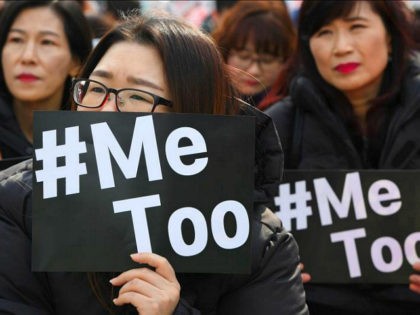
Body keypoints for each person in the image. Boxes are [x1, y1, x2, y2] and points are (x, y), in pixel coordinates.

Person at [0, 12, 308, 315]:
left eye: (136, 96)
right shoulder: (20, 203)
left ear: (192, 119)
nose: (104, 111)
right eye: (95, 89)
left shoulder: (258, 241)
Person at [265, 0, 420, 314]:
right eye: (325, 32)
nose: (341, 47)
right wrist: (272, 270)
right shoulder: (275, 128)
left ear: (390, 34)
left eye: (356, 27)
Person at [0, 0, 92, 162]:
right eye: (16, 40)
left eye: (47, 42)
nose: (27, 57)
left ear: (77, 63)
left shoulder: (90, 138)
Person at [212, 0, 296, 108]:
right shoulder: (205, 98)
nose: (254, 71)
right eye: (244, 57)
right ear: (224, 53)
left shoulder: (295, 109)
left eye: (266, 60)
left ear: (286, 60)